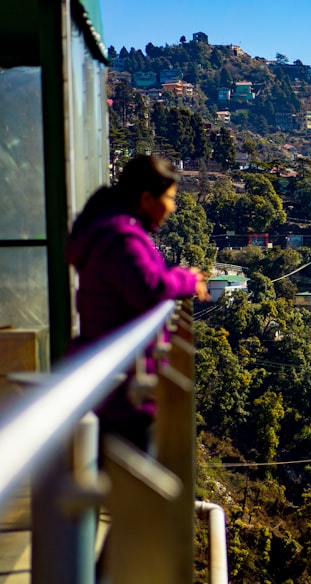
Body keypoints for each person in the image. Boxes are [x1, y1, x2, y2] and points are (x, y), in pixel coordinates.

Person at [67, 155, 210, 450]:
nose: (173, 207)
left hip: (113, 381)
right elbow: (151, 287)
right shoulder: (122, 238)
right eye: (170, 198)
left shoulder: (113, 230)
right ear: (147, 198)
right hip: (123, 392)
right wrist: (187, 281)